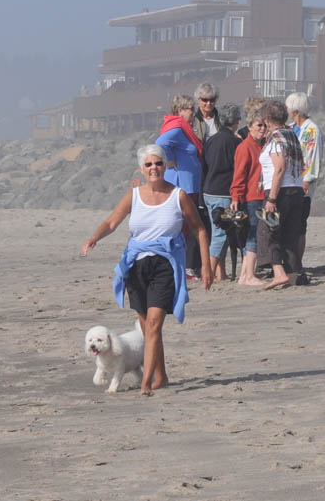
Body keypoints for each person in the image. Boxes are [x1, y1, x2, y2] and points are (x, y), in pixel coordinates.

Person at [81, 145, 212, 396]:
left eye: (158, 163)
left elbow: (200, 229)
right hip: (136, 265)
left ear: (166, 166)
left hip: (165, 264)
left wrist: (206, 265)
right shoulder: (134, 195)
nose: (154, 168)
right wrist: (94, 238)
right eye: (149, 164)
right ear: (142, 169)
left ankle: (146, 383)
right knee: (148, 327)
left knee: (153, 325)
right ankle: (160, 376)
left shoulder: (178, 195)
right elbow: (111, 222)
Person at [257, 100, 305, 290]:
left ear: (267, 120)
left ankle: (279, 272)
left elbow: (280, 168)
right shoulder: (291, 134)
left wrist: (271, 199)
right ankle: (294, 273)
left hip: (280, 190)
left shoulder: (276, 138)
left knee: (268, 232)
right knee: (290, 234)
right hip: (296, 189)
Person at [155, 95, 203, 280]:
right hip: (182, 183)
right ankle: (181, 268)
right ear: (179, 110)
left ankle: (182, 267)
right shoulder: (176, 128)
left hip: (189, 183)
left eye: (192, 108)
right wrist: (169, 160)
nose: (192, 112)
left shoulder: (184, 129)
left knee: (186, 227)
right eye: (189, 108)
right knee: (183, 227)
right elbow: (161, 143)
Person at [201, 103, 243, 281]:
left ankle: (221, 273)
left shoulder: (211, 140)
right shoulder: (236, 142)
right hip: (224, 193)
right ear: (236, 121)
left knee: (217, 231)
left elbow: (205, 164)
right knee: (222, 234)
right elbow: (239, 168)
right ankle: (208, 272)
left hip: (209, 190)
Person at [285, 91, 322, 282]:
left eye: (289, 108)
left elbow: (313, 159)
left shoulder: (312, 130)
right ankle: (289, 262)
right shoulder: (291, 128)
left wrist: (308, 181)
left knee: (299, 226)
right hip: (289, 183)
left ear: (296, 110)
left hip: (303, 184)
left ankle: (298, 262)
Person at [230, 107, 268, 286]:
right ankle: (249, 275)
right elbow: (239, 175)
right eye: (259, 125)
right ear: (250, 126)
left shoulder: (261, 146)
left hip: (260, 195)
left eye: (265, 125)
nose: (262, 129)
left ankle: (245, 275)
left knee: (252, 235)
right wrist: (236, 197)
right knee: (253, 234)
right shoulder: (245, 147)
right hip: (251, 197)